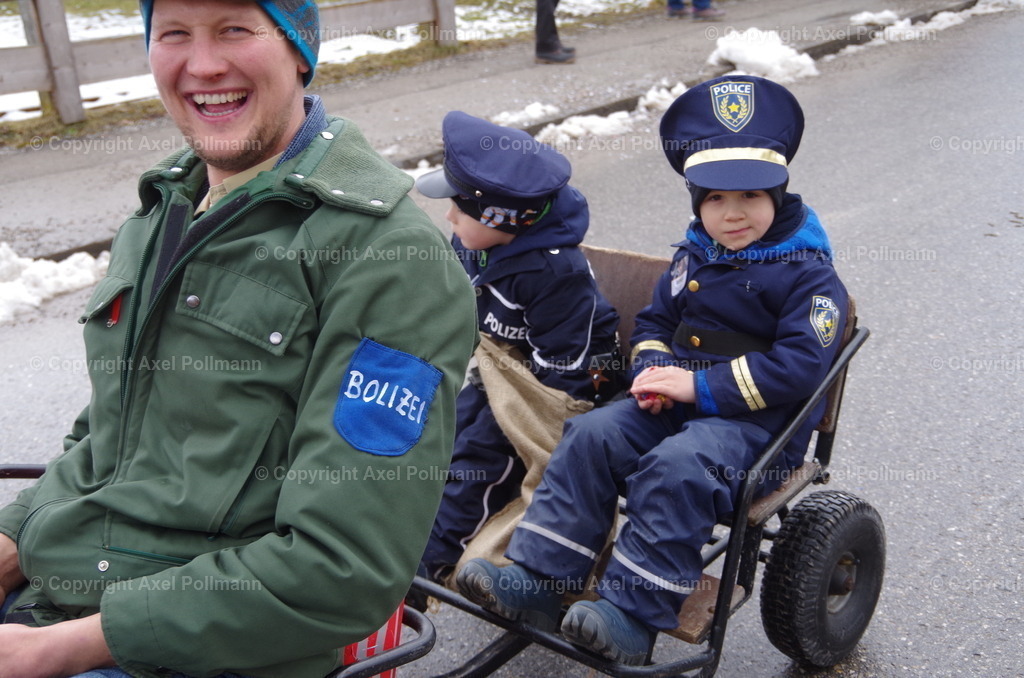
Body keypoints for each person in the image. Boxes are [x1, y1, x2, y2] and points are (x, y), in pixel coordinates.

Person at [0, 1, 478, 676]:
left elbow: (341, 568)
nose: (203, 64)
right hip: (65, 592)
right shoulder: (166, 207)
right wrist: (13, 539)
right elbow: (109, 433)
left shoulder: (392, 261)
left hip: (202, 650)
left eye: (234, 28)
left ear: (298, 50)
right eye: (174, 33)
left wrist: (57, 649)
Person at [456, 75, 849, 665]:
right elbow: (655, 324)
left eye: (750, 197)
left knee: (678, 466)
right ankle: (543, 578)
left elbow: (798, 368)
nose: (731, 214)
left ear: (780, 195)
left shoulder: (809, 276)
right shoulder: (694, 255)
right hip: (677, 406)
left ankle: (634, 614)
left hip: (759, 433)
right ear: (697, 202)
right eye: (714, 198)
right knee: (591, 434)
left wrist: (696, 384)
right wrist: (655, 370)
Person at [414, 110, 624, 586]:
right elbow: (451, 300)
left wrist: (513, 419)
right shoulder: (475, 239)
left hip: (569, 377)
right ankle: (420, 525)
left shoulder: (555, 274)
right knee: (444, 426)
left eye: (458, 208)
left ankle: (439, 559)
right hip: (502, 361)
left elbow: (558, 381)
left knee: (486, 447)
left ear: (502, 217)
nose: (449, 216)